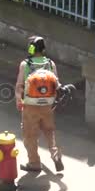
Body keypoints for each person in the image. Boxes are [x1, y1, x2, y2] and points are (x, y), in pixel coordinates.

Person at [15, 36, 64, 172]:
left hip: (30, 105)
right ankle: (55, 154)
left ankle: (34, 163)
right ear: (44, 49)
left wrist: (19, 100)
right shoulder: (50, 64)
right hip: (48, 105)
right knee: (49, 131)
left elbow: (19, 85)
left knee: (30, 135)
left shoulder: (25, 64)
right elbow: (56, 84)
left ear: (31, 48)